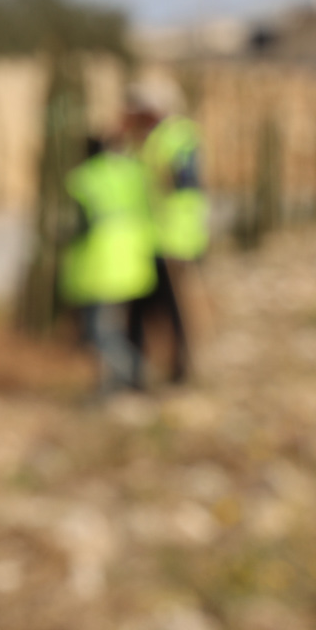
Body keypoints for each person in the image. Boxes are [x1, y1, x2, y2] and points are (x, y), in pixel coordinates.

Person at [62, 133, 158, 398]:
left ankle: (133, 374)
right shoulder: (134, 173)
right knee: (116, 327)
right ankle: (120, 382)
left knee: (99, 332)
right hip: (136, 261)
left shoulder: (83, 178)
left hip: (100, 266)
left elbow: (77, 225)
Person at [127, 86, 207, 384]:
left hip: (173, 236)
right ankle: (139, 371)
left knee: (173, 309)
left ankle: (179, 369)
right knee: (142, 309)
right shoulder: (147, 138)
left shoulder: (178, 136)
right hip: (150, 236)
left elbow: (184, 180)